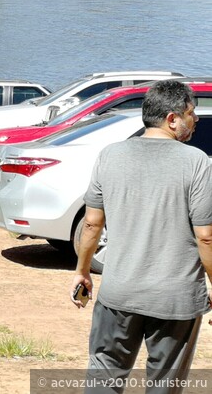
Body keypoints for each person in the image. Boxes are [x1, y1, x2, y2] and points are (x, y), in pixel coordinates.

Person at [71, 80, 212, 392]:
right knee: (164, 384)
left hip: (119, 294)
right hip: (176, 300)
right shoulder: (197, 162)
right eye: (191, 113)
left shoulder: (110, 156)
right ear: (172, 119)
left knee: (104, 376)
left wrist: (82, 272)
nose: (196, 120)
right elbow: (206, 238)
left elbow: (92, 225)